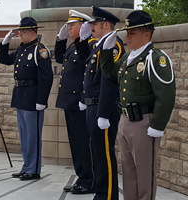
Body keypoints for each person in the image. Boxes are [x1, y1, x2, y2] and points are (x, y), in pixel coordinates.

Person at [99, 10, 175, 200]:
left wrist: (157, 126)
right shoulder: (128, 58)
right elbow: (108, 72)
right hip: (125, 121)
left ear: (147, 34)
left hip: (144, 123)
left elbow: (165, 96)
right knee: (129, 173)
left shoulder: (156, 59)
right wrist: (106, 51)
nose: (128, 37)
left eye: (132, 33)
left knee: (144, 174)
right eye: (127, 32)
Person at [0, 17, 53, 180]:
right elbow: (4, 59)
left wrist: (41, 101)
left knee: (32, 136)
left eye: (23, 31)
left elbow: (46, 78)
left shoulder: (40, 50)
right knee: (24, 135)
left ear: (33, 32)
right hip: (21, 96)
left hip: (32, 98)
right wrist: (4, 44)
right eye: (20, 31)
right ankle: (26, 166)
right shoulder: (22, 50)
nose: (20, 34)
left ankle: (34, 169)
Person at [79, 6, 125, 200]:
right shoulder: (99, 45)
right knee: (97, 154)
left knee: (105, 155)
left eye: (94, 25)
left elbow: (109, 81)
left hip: (102, 107)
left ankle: (107, 196)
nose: (91, 28)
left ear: (106, 25)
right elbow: (87, 69)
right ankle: (101, 193)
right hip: (93, 105)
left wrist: (104, 113)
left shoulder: (113, 46)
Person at [54, 9, 96, 194]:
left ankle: (89, 180)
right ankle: (81, 176)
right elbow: (58, 57)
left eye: (72, 25)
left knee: (83, 142)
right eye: (68, 25)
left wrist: (82, 99)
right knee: (75, 143)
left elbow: (86, 71)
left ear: (84, 26)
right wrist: (60, 39)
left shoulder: (87, 45)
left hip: (79, 101)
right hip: (69, 101)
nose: (69, 28)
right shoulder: (73, 45)